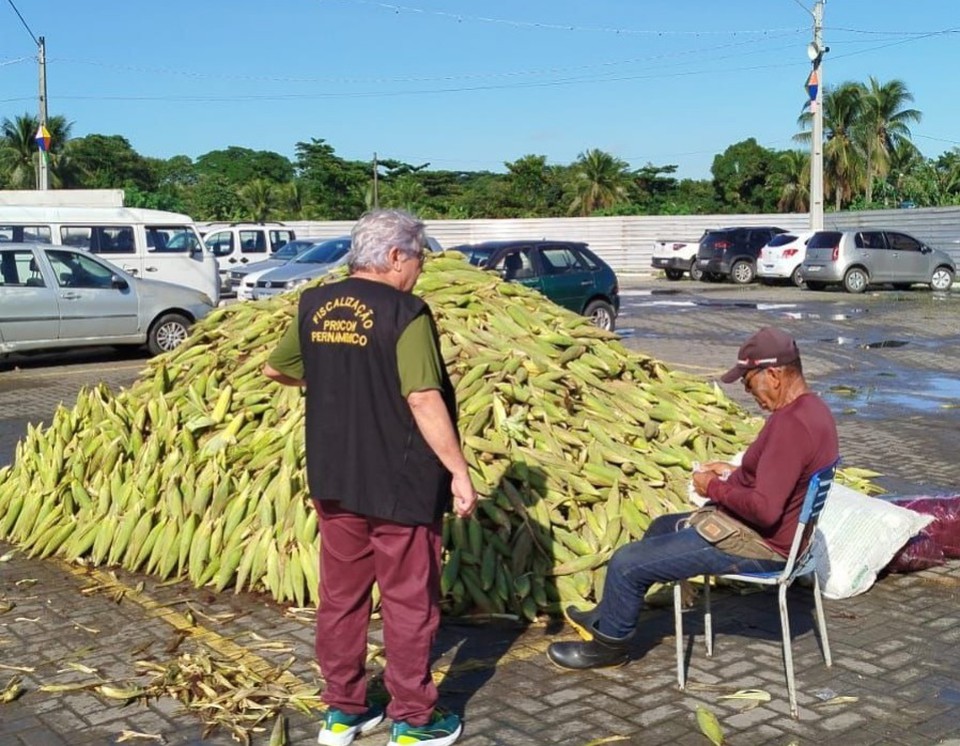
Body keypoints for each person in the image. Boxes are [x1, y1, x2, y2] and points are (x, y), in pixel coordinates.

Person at [263, 208, 478, 746]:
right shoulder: (405, 312)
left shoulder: (314, 303)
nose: (420, 271)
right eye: (419, 259)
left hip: (334, 476)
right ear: (395, 256)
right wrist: (459, 471)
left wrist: (340, 378)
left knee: (342, 598)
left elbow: (278, 368)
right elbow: (424, 398)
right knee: (409, 601)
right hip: (398, 482)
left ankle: (343, 712)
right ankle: (413, 720)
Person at [547, 326, 839, 670]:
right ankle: (607, 616)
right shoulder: (813, 410)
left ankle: (610, 648)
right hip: (786, 541)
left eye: (748, 382)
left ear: (773, 374)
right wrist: (731, 473)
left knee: (626, 563)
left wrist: (711, 488)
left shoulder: (790, 426)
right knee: (660, 528)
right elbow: (782, 477)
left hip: (764, 548)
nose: (748, 393)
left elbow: (765, 510)